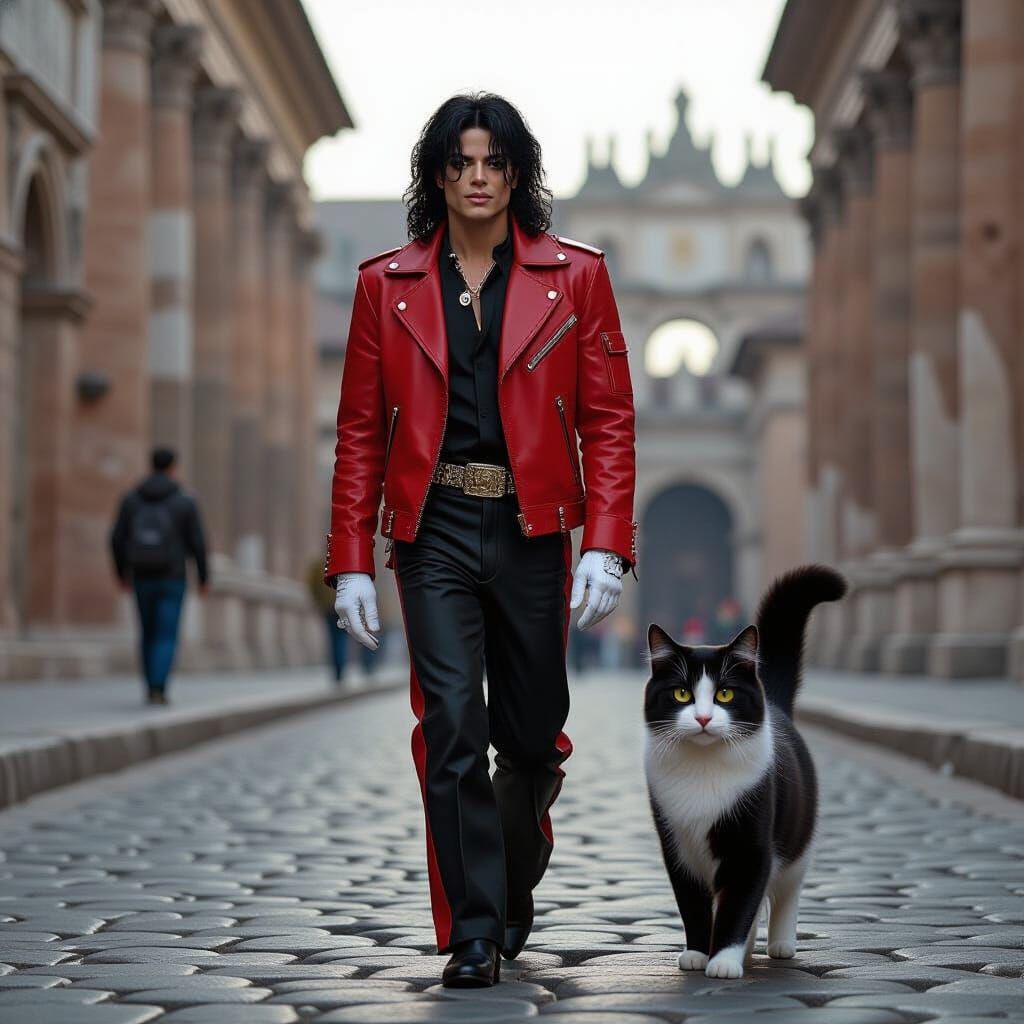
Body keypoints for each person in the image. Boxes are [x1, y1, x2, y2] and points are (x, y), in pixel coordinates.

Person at [324, 92, 638, 988]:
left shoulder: (576, 278)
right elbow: (358, 432)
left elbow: (608, 419)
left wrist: (608, 542)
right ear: (436, 173)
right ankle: (473, 929)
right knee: (453, 723)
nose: (476, 177)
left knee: (533, 734)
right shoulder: (384, 287)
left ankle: (516, 848)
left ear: (516, 174)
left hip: (534, 528)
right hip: (434, 533)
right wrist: (349, 559)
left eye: (493, 162)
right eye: (460, 162)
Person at [110, 446, 208, 705]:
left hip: (141, 575)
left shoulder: (131, 498)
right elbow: (198, 542)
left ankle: (148, 684)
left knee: (147, 632)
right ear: (173, 467)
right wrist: (203, 577)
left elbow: (117, 539)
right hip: (173, 576)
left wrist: (121, 572)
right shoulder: (184, 500)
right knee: (166, 634)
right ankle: (159, 686)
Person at [307, 556, 347, 684]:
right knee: (342, 639)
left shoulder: (320, 565)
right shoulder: (346, 564)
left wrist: (319, 603)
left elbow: (312, 586)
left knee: (334, 639)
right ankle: (340, 669)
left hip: (329, 608)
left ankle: (337, 670)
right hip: (343, 608)